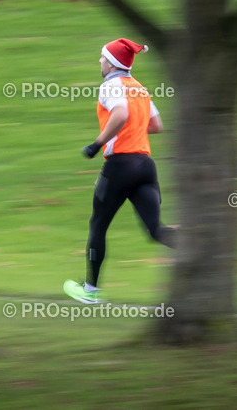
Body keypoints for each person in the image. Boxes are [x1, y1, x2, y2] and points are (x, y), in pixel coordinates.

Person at [63, 38, 177, 305]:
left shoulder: (110, 86)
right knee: (156, 230)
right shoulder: (140, 88)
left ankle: (90, 291)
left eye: (102, 58)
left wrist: (97, 143)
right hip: (146, 166)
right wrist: (131, 130)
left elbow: (121, 114)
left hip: (120, 166)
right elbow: (157, 125)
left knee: (98, 225)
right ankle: (200, 249)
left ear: (112, 62)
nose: (100, 62)